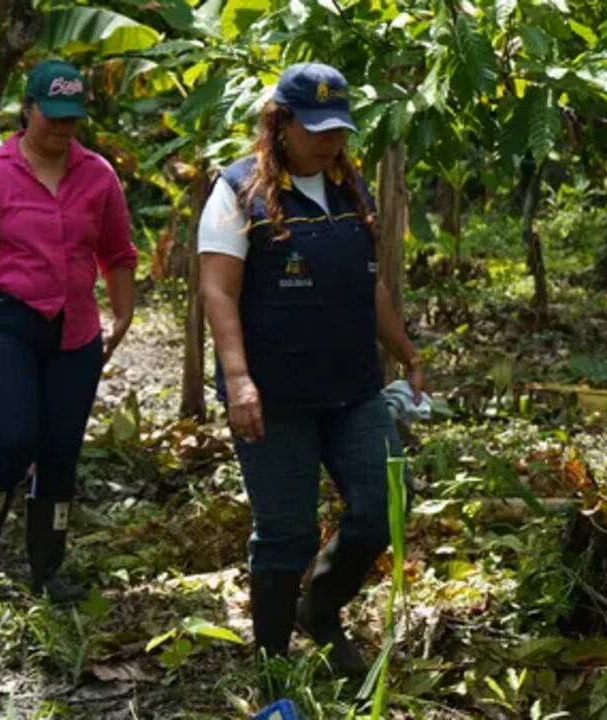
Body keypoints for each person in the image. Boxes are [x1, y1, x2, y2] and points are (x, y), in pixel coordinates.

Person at [198, 63, 427, 677]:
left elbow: (369, 286)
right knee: (286, 533)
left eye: (339, 129)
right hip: (275, 395)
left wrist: (406, 351)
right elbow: (218, 291)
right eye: (316, 128)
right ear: (281, 123)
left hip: (353, 389)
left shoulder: (353, 192)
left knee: (382, 508)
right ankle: (272, 666)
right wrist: (239, 378)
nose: (330, 140)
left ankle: (320, 610)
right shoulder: (239, 190)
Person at [0, 60, 137, 603]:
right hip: (4, 318)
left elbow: (117, 251)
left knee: (61, 449)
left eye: (72, 119)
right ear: (28, 108)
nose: (62, 129)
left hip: (75, 327)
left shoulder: (98, 175)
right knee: (16, 435)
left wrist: (122, 313)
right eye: (52, 117)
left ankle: (47, 568)